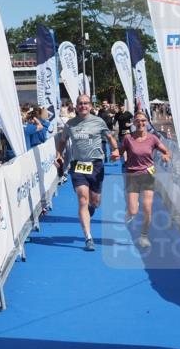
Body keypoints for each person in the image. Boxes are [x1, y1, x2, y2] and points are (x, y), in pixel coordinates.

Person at [55, 94, 120, 251]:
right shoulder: (70, 124)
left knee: (95, 201)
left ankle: (91, 208)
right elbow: (63, 141)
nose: (83, 106)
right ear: (76, 106)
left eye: (86, 103)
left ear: (90, 106)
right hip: (78, 166)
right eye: (80, 103)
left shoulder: (98, 122)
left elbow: (110, 138)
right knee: (82, 199)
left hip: (96, 165)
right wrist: (58, 154)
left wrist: (116, 150)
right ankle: (88, 238)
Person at [121, 110, 171, 249]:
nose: (141, 123)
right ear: (134, 123)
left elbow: (166, 151)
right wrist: (115, 154)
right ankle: (129, 212)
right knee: (133, 211)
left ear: (147, 122)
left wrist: (166, 156)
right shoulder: (128, 138)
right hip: (132, 174)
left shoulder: (153, 138)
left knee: (147, 207)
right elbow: (119, 152)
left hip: (148, 174)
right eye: (138, 121)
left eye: (143, 121)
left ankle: (144, 236)